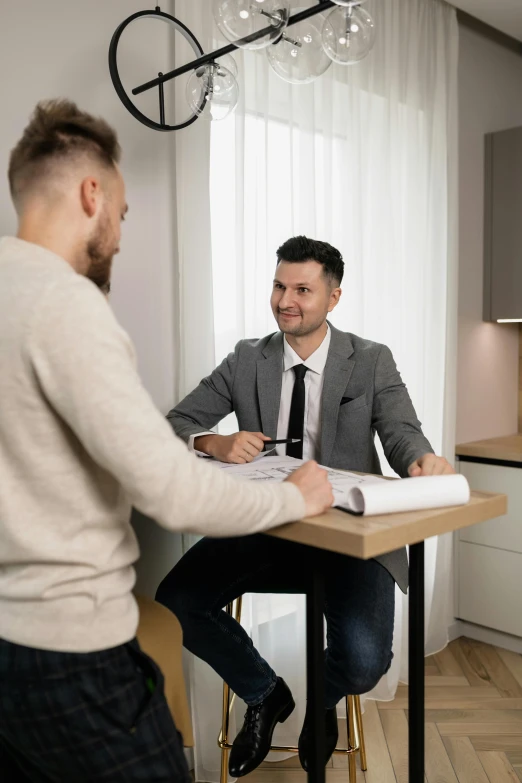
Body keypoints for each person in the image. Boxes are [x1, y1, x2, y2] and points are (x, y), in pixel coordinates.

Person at [0, 101, 333, 783]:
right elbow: (172, 488)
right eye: (122, 213)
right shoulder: (64, 303)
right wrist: (286, 492)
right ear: (92, 194)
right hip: (68, 651)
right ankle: (270, 691)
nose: (120, 235)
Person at [157, 235, 455, 776]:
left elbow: (402, 432)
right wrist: (211, 442)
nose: (284, 300)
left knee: (366, 664)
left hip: (347, 537)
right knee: (177, 597)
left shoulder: (369, 360)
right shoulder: (247, 358)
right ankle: (266, 693)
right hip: (267, 527)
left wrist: (421, 462)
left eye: (302, 289)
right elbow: (173, 423)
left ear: (334, 297)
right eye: (278, 285)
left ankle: (320, 699)